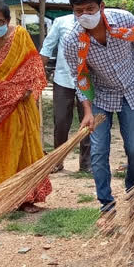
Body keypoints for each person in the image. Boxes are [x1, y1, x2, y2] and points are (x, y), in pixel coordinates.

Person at [63, 0, 134, 216]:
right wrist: (87, 111)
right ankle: (106, 205)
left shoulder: (125, 20)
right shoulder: (72, 40)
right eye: (79, 11)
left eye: (90, 9)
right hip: (101, 96)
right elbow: (80, 77)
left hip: (132, 91)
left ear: (101, 6)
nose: (84, 15)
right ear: (73, 11)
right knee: (98, 152)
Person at [0, 0, 52, 214]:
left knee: (25, 149)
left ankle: (25, 198)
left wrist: (26, 89)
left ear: (7, 21)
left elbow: (33, 67)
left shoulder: (20, 36)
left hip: (22, 106)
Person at [39, 14, 91, 173]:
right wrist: (38, 71)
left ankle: (86, 163)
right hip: (63, 79)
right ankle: (58, 160)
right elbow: (48, 46)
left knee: (87, 122)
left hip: (88, 81)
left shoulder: (95, 23)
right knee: (61, 121)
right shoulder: (60, 22)